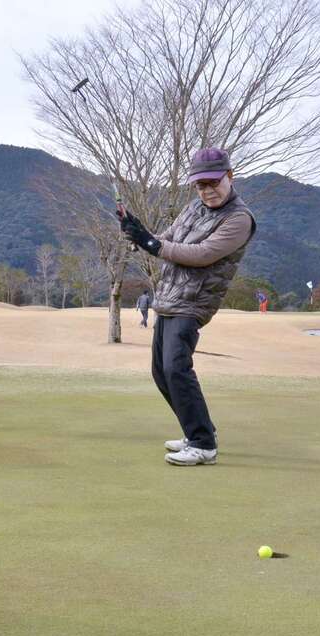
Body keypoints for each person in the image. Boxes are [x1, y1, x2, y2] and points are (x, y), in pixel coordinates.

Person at [119, 148, 256, 466]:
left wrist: (153, 244)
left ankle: (203, 444)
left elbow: (202, 254)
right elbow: (169, 238)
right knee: (160, 372)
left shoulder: (239, 219)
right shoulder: (195, 206)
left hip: (194, 302)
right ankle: (200, 429)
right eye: (200, 185)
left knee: (176, 368)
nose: (207, 190)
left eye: (213, 182)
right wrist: (139, 234)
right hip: (168, 296)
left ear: (229, 176)